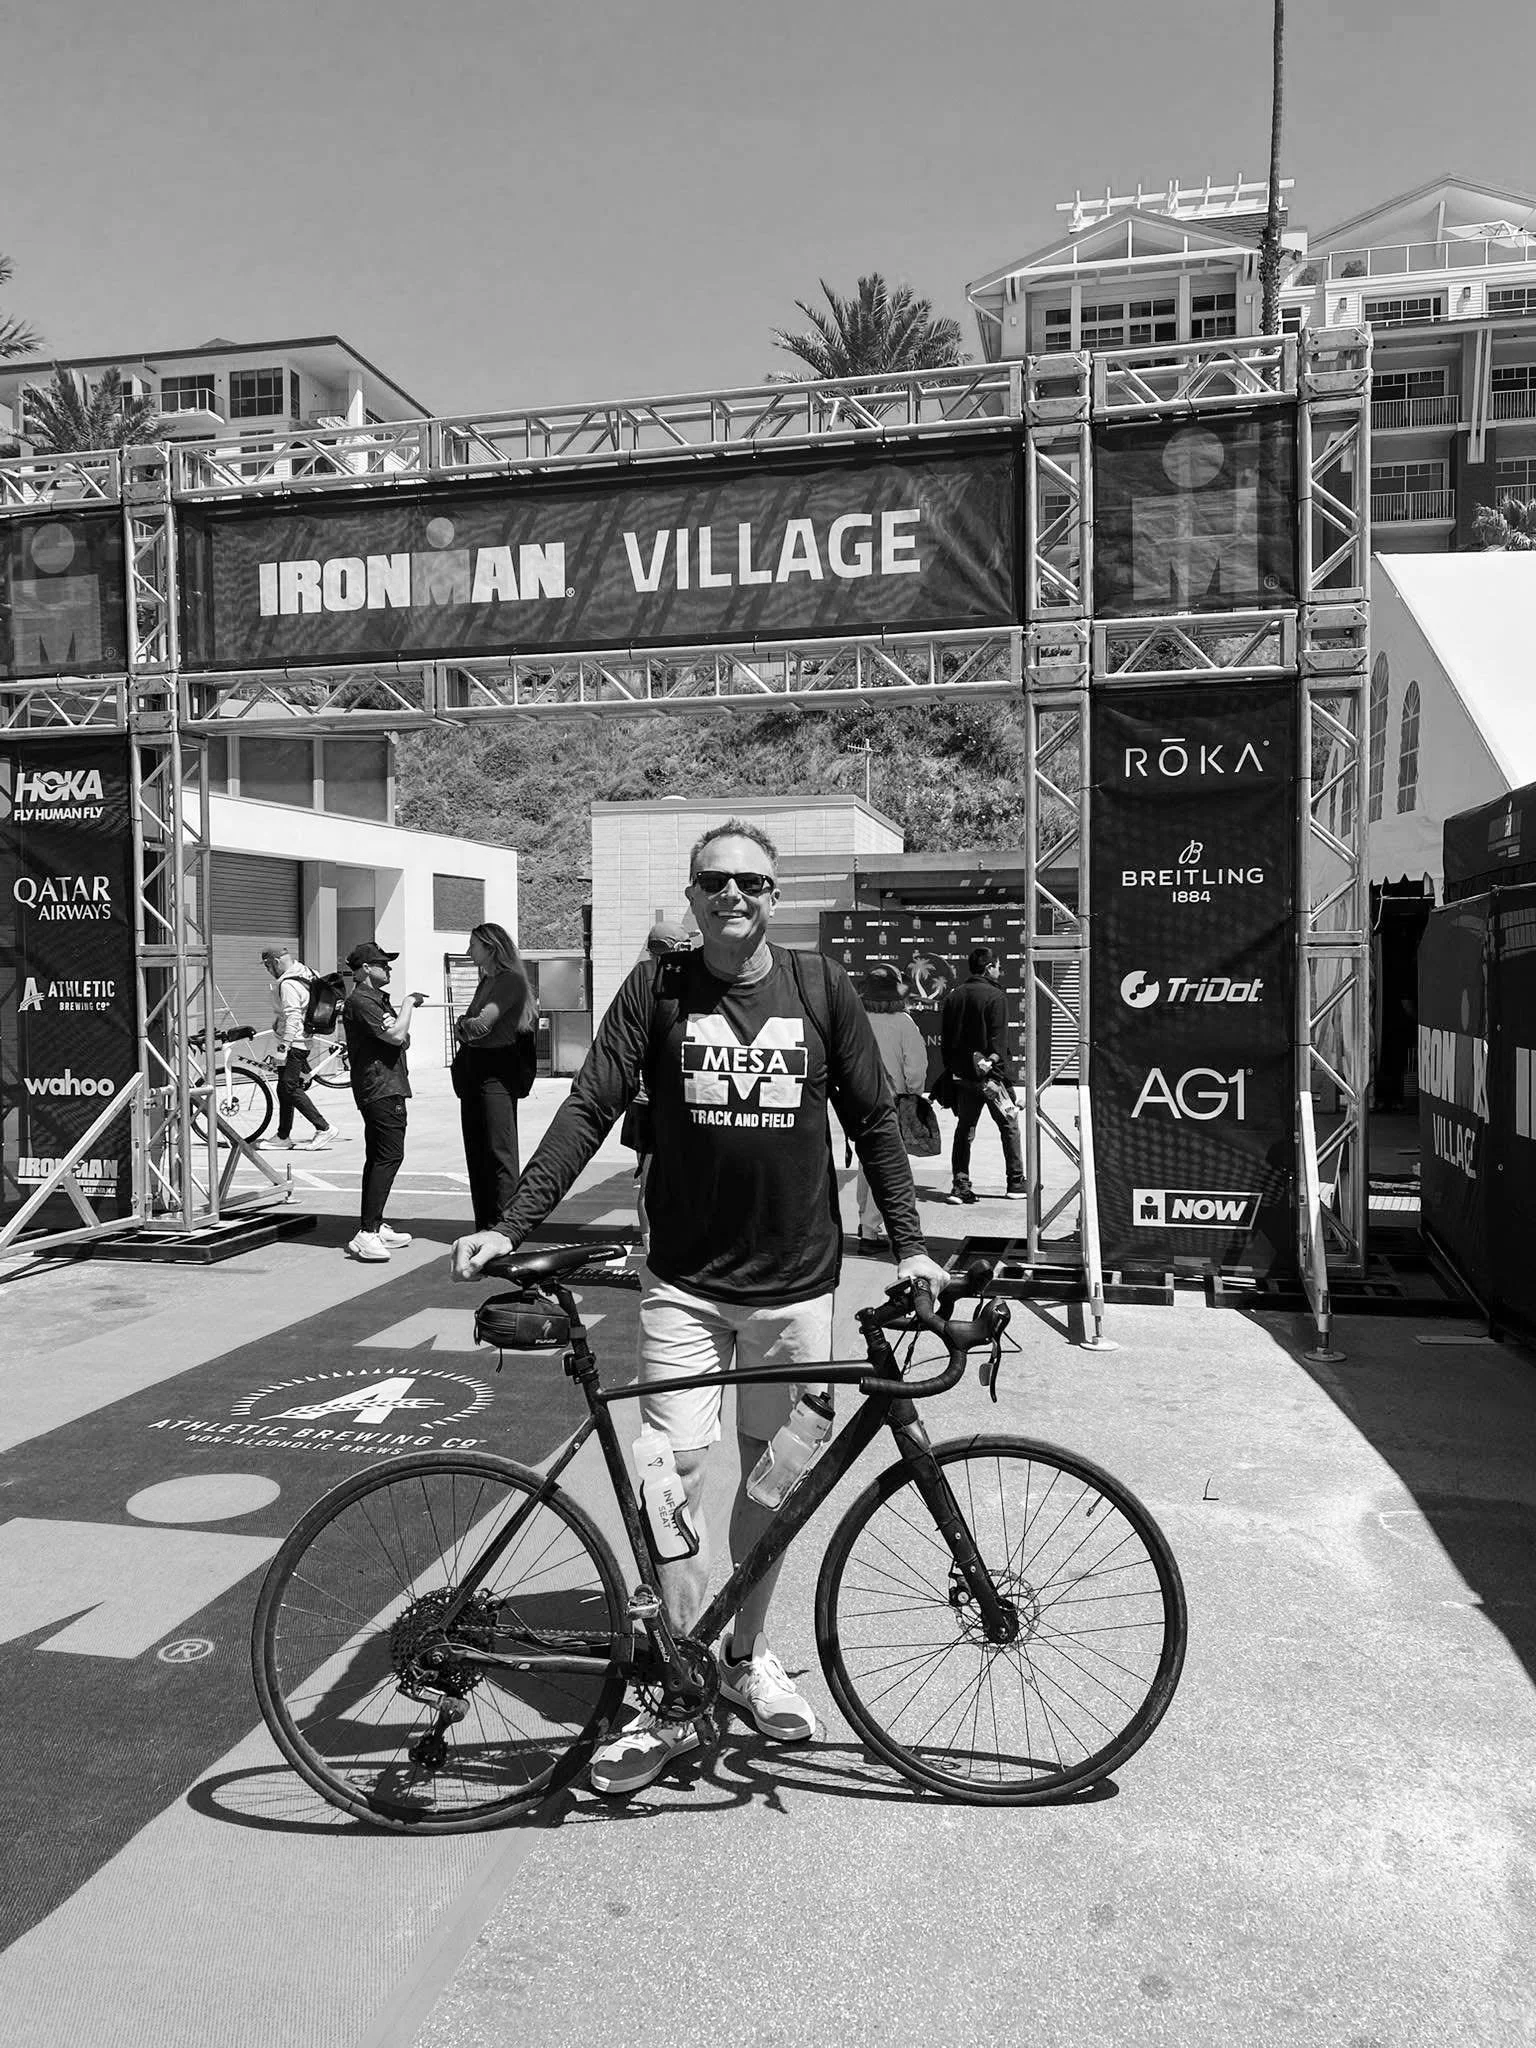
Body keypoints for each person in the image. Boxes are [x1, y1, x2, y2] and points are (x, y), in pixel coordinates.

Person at [451, 818, 947, 1797]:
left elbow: (874, 1119)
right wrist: (513, 1220)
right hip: (681, 1284)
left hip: (799, 1290)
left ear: (777, 894)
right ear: (693, 891)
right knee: (670, 1478)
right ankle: (678, 1680)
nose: (733, 894)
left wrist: (915, 1240)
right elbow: (591, 1100)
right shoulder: (660, 989)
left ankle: (742, 1654)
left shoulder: (819, 989)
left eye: (752, 881)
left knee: (777, 1484)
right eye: (714, 879)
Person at [341, 940, 426, 1262]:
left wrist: (400, 1024)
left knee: (380, 1156)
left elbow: (403, 1038)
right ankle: (366, 1233)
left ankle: (374, 1224)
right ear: (365, 969)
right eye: (383, 964)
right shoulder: (363, 1001)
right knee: (389, 1155)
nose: (388, 969)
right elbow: (395, 1037)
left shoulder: (375, 1000)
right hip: (380, 1087)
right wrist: (407, 1004)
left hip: (386, 1084)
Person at [453, 922, 539, 1231]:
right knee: (476, 1149)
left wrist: (463, 1027)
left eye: (473, 945)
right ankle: (484, 1223)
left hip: (496, 1072)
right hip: (475, 1069)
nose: (468, 951)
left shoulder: (509, 981)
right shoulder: (487, 980)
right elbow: (469, 1025)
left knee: (499, 1151)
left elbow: (478, 1026)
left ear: (491, 948)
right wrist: (466, 1026)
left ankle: (506, 1225)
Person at [622, 918, 695, 1250]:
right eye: (686, 946)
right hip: (655, 1107)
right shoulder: (650, 990)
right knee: (653, 1182)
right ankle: (653, 1249)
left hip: (671, 1104)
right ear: (675, 950)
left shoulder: (664, 987)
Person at [939, 945, 1026, 1205]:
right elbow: (998, 1043)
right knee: (1009, 1126)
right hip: (992, 1079)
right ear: (989, 968)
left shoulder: (954, 996)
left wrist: (955, 1071)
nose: (1001, 970)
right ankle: (1015, 1182)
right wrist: (996, 1069)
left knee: (965, 1129)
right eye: (999, 966)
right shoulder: (996, 997)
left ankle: (960, 1186)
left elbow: (946, 1041)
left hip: (963, 1078)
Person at [855, 964, 929, 1247]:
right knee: (886, 1165)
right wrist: (914, 1093)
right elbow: (916, 1067)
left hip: (858, 1098)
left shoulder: (857, 1018)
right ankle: (870, 1230)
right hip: (891, 1100)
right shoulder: (903, 1023)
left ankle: (865, 1221)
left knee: (866, 1163)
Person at [255, 944, 334, 1153]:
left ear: (275, 962)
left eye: (268, 966)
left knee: (289, 1088)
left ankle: (323, 1127)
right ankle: (283, 1135)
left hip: (294, 1043)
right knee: (284, 1088)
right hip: (305, 1038)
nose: (268, 971)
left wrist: (284, 1046)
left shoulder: (288, 984)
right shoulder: (308, 972)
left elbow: (293, 1015)